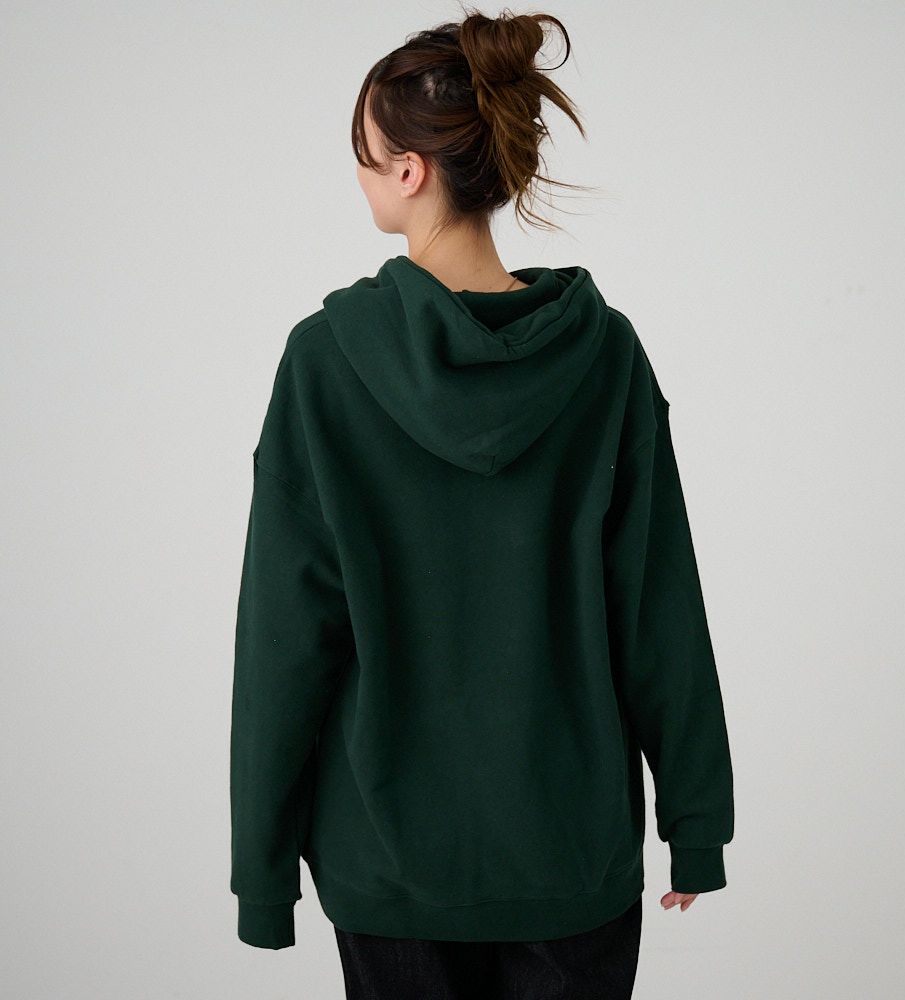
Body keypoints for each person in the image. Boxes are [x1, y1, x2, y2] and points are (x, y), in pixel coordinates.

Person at [229, 8, 735, 999]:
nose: (357, 172)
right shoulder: (603, 355)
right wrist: (694, 823)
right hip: (571, 852)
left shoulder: (325, 362)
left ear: (408, 170)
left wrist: (262, 875)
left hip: (387, 862)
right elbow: (657, 605)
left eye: (362, 152)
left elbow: (286, 633)